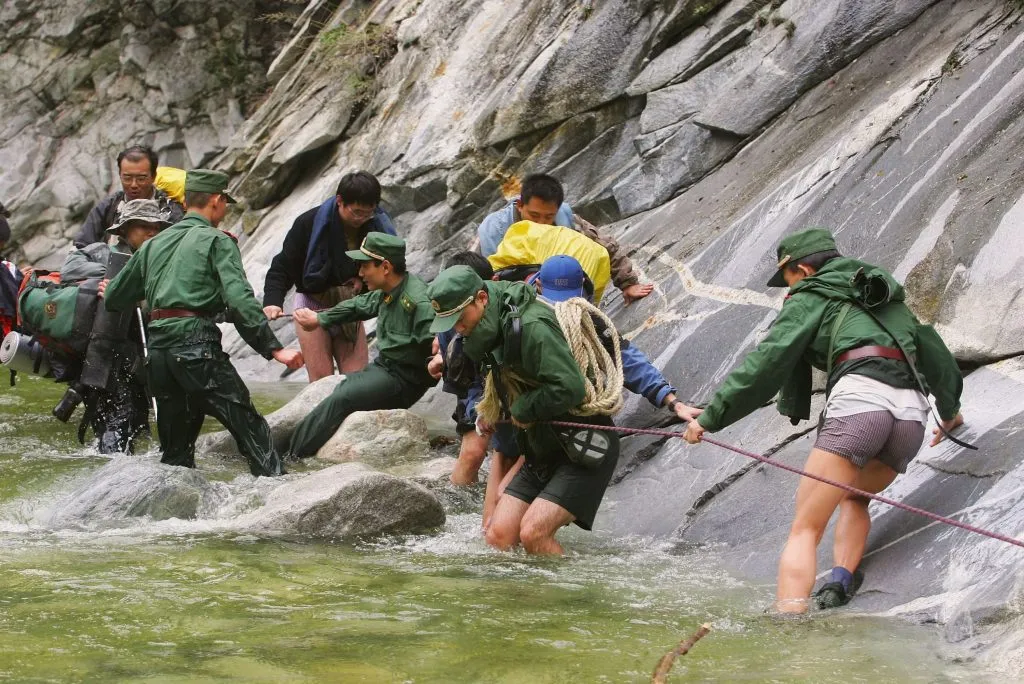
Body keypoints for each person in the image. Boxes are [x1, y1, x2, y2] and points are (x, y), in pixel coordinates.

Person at [682, 228, 965, 613]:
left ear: (802, 270)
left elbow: (767, 362)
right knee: (854, 495)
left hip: (859, 406)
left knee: (805, 529)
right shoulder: (884, 296)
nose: (788, 289)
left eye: (788, 280)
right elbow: (938, 359)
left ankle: (789, 629)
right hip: (910, 417)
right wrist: (950, 414)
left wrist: (710, 419)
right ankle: (839, 582)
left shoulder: (810, 295)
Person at [429, 253, 702, 529]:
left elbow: (624, 358)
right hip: (507, 414)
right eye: (557, 295)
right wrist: (484, 410)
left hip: (543, 415)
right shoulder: (490, 320)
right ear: (537, 286)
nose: (563, 302)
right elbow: (475, 379)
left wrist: (672, 402)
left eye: (570, 294)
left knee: (514, 514)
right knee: (493, 525)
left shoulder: (574, 317)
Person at [102, 170, 303, 476]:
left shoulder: (153, 244)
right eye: (226, 202)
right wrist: (274, 349)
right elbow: (239, 300)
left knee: (175, 454)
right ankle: (279, 493)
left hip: (158, 355)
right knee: (248, 425)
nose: (226, 209)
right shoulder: (216, 241)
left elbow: (115, 298)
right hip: (197, 347)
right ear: (216, 200)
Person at [427, 266, 611, 554]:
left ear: (481, 298)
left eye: (460, 319)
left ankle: (575, 600)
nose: (458, 329)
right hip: (541, 445)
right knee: (498, 536)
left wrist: (522, 409)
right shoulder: (488, 328)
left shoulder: (531, 326)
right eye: (451, 322)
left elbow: (570, 387)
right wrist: (492, 411)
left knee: (534, 534)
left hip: (583, 442)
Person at [287, 233, 437, 458]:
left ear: (385, 267)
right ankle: (291, 448)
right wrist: (319, 319)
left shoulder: (418, 300)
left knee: (342, 397)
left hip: (403, 380)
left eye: (365, 266)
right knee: (337, 390)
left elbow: (439, 342)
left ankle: (291, 457)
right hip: (385, 369)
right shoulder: (390, 290)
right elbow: (359, 305)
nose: (360, 273)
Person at [262, 171, 397, 382]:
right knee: (321, 383)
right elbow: (282, 266)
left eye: (367, 213)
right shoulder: (308, 223)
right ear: (340, 201)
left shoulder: (376, 226)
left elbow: (388, 270)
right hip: (312, 303)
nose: (361, 219)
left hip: (349, 305)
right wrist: (272, 301)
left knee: (356, 382)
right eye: (356, 212)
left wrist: (361, 283)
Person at [59, 199, 170, 453]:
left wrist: (129, 284)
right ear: (124, 230)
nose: (151, 231)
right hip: (102, 357)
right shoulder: (103, 252)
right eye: (142, 225)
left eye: (156, 226)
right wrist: (113, 276)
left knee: (136, 425)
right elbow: (70, 268)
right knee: (117, 423)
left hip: (139, 360)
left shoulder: (161, 260)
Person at [476, 174, 654, 304]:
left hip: (564, 288)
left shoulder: (563, 217)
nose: (541, 222)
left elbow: (603, 244)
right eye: (534, 215)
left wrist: (628, 284)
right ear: (520, 205)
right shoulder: (494, 231)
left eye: (548, 217)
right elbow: (494, 281)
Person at [74, 146, 185, 248]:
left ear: (153, 177)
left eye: (141, 178)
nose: (134, 185)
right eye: (127, 178)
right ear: (120, 175)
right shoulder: (109, 207)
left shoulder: (170, 211)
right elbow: (81, 247)